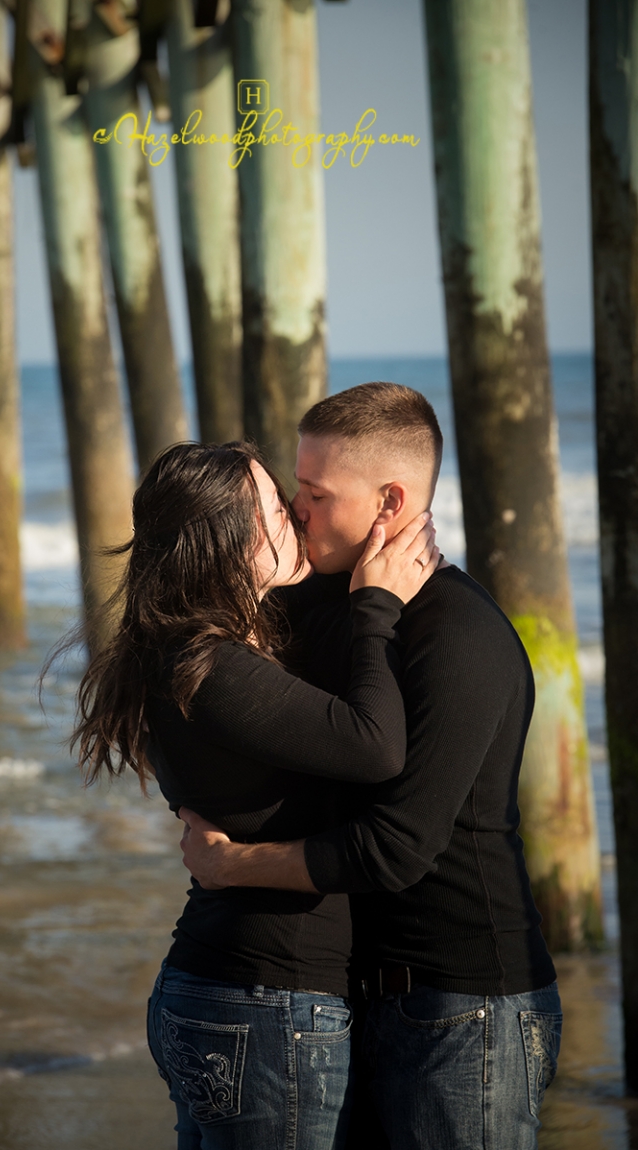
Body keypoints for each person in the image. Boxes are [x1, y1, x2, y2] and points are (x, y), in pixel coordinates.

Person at [179, 383, 563, 1150]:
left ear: (390, 502)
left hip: (467, 1009)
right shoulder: (330, 601)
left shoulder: (460, 636)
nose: (295, 510)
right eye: (295, 488)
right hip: (357, 996)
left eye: (316, 494)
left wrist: (235, 864)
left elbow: (397, 847)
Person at [67, 439, 439, 1150]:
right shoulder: (212, 667)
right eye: (275, 506)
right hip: (265, 1003)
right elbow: (373, 746)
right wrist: (377, 608)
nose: (295, 517)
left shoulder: (193, 653)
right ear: (229, 545)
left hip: (228, 991)